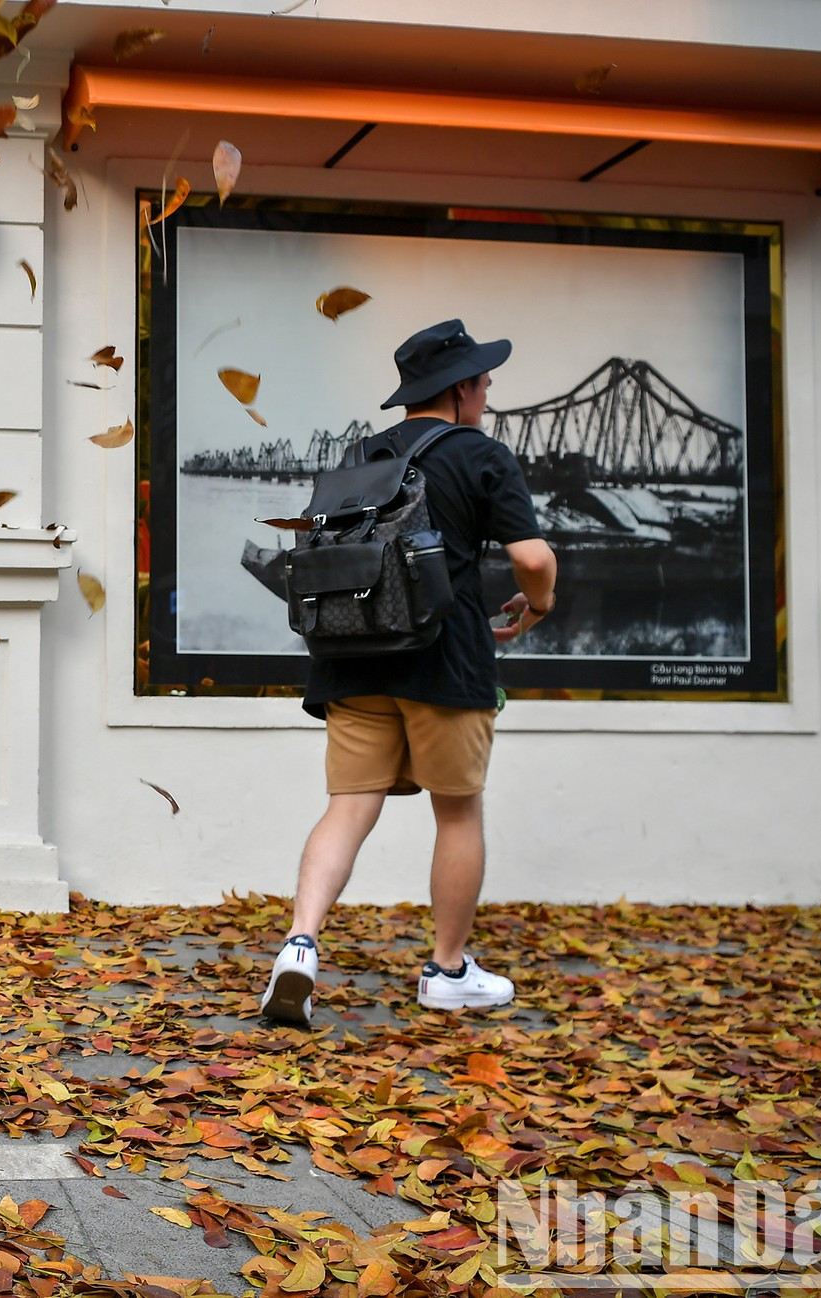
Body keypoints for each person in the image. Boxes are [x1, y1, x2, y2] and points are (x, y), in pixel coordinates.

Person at [261, 320, 558, 1027]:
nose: (487, 394)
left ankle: (299, 945)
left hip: (352, 656)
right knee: (456, 811)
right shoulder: (481, 455)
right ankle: (448, 971)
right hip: (444, 658)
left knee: (348, 805)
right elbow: (535, 560)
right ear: (460, 389)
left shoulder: (360, 455)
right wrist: (538, 606)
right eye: (483, 383)